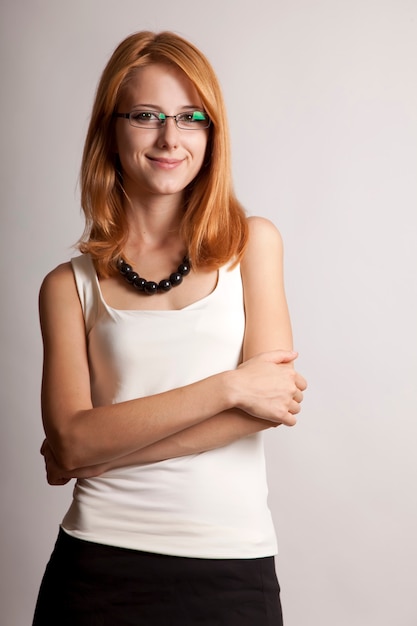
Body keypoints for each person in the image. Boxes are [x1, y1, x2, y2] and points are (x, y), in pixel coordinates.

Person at [32, 31, 307, 626]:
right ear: (112, 127)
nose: (170, 138)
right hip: (93, 569)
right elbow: (72, 443)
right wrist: (228, 387)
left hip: (230, 566)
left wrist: (102, 451)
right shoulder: (66, 286)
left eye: (190, 117)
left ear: (211, 133)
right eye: (147, 116)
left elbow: (269, 404)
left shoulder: (253, 245)